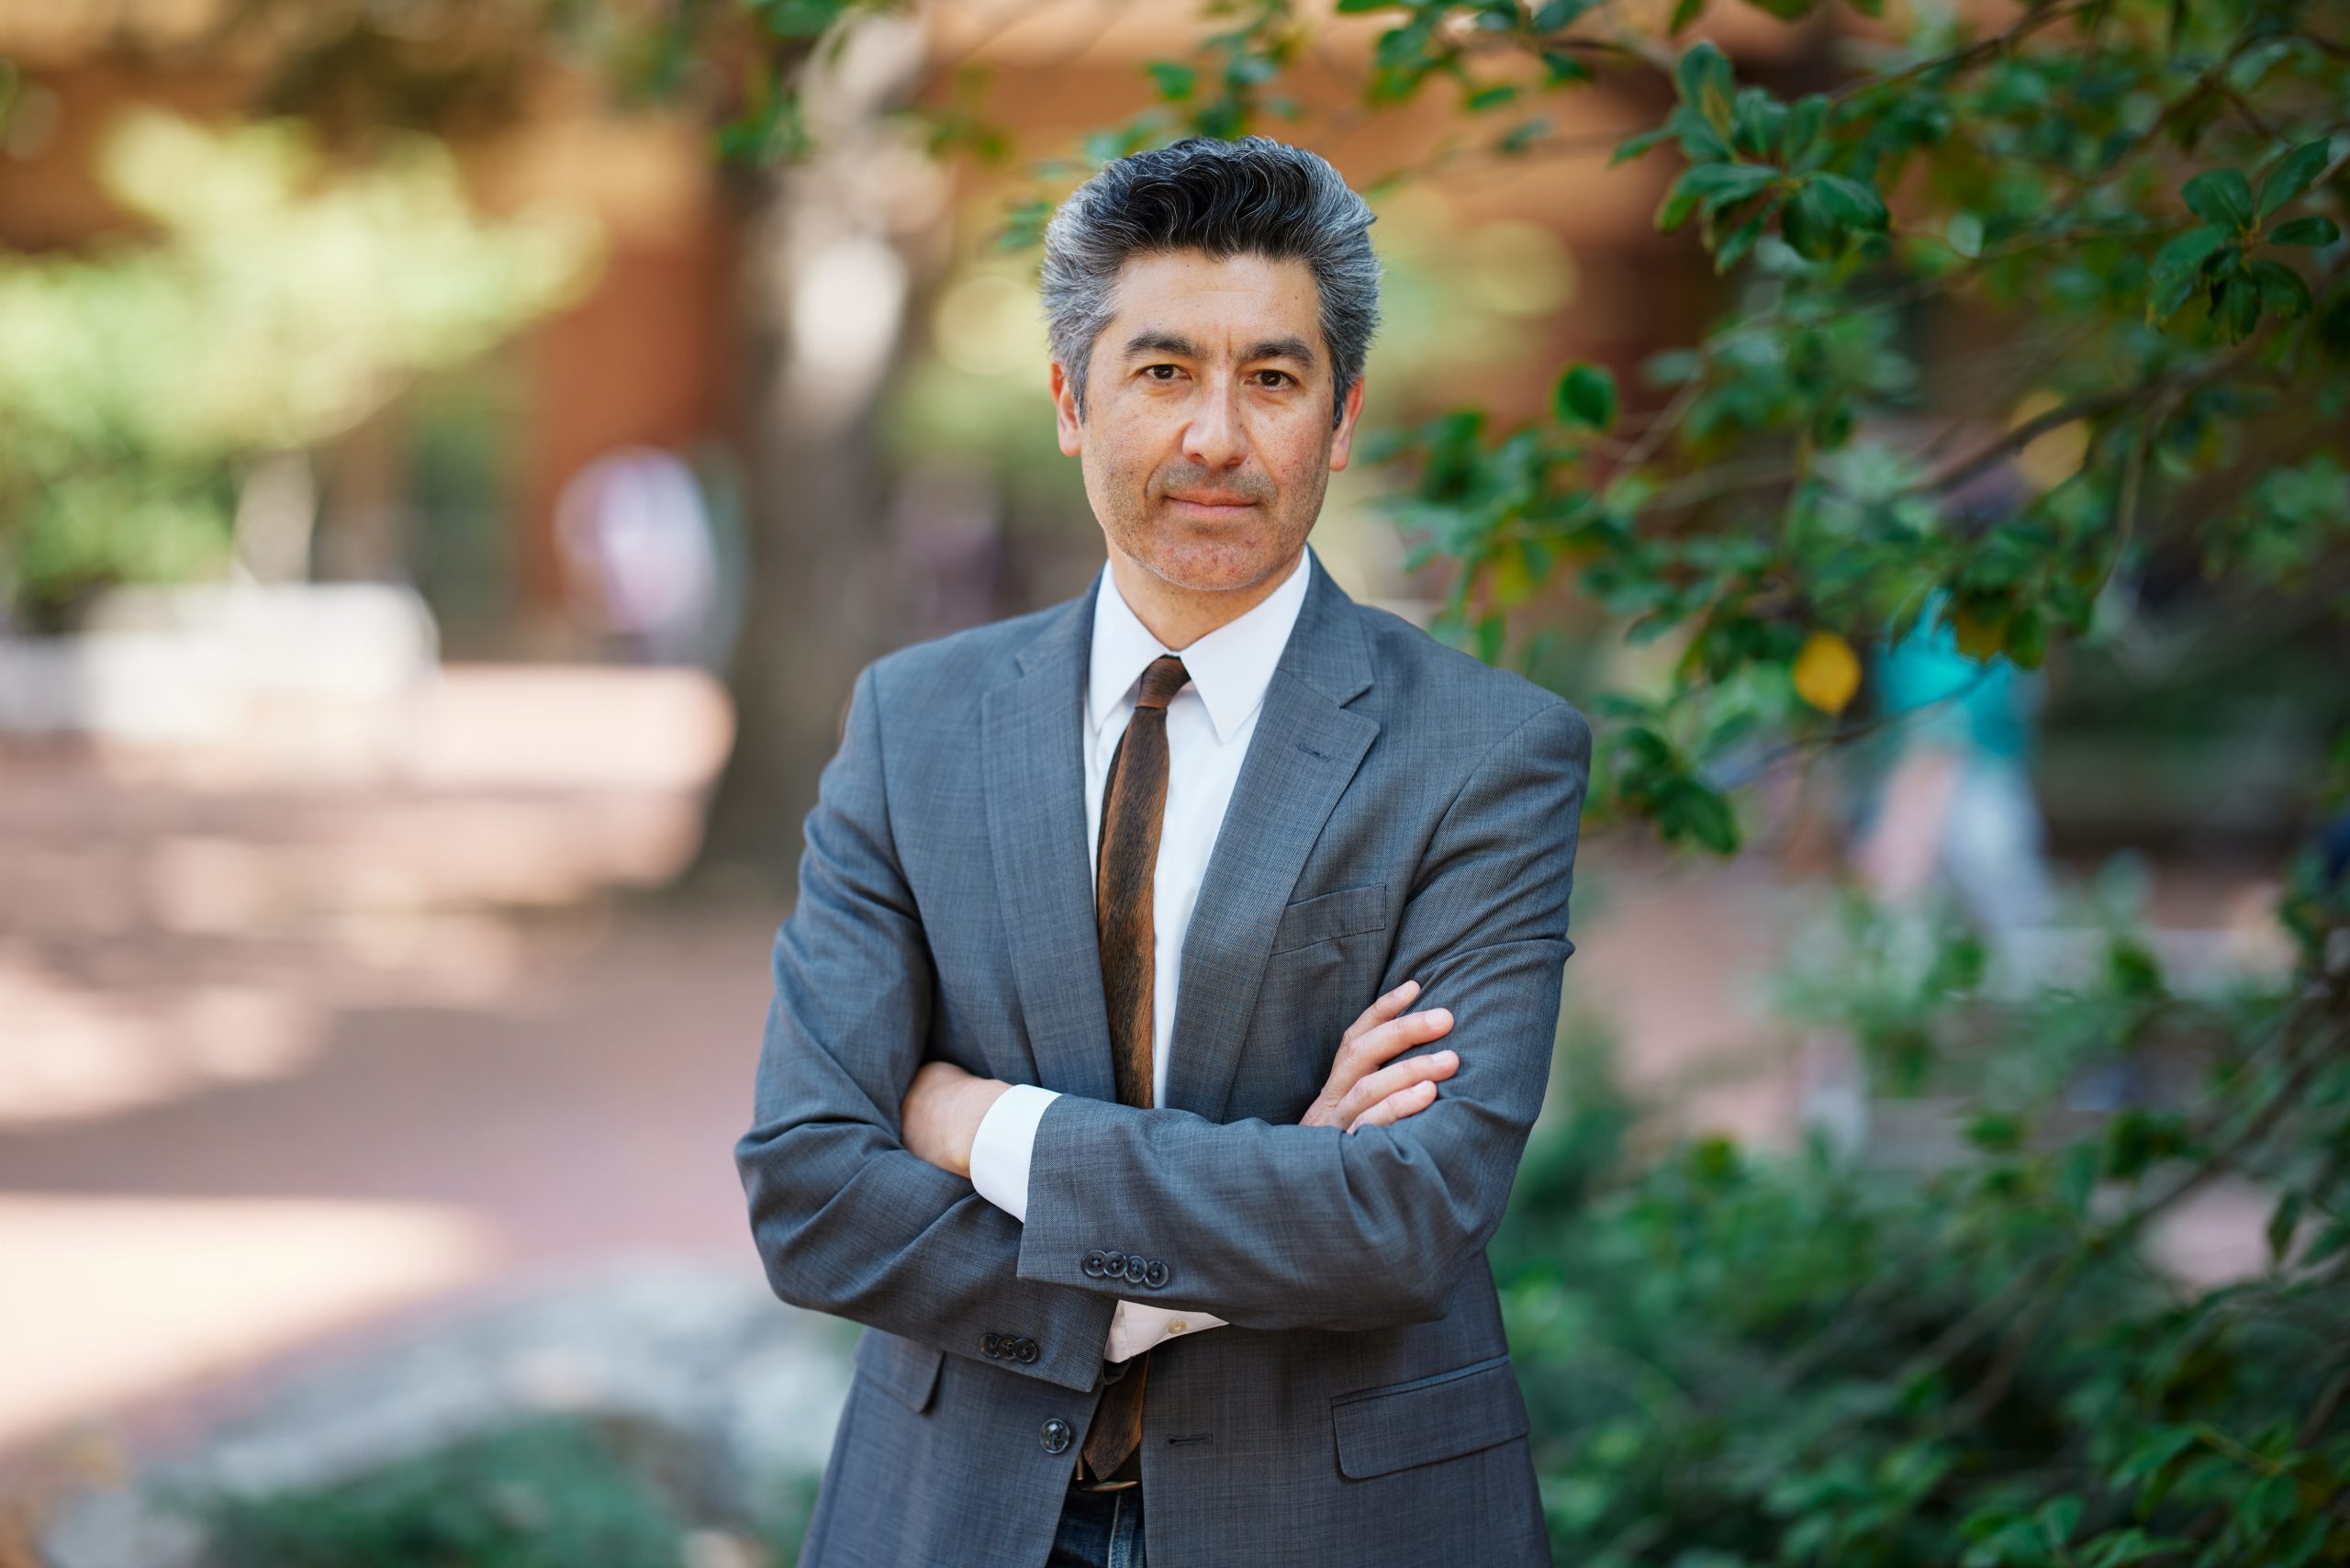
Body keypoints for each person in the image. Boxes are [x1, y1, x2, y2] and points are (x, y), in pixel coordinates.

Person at [735, 136, 1592, 1568]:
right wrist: (1153, 1289)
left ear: (1342, 415)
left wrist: (978, 1126)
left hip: (1341, 1522)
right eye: (1162, 371)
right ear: (1072, 401)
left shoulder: (1487, 755)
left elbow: (1402, 1216)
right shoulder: (914, 723)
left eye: (1271, 378)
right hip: (951, 1512)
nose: (1214, 436)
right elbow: (810, 1192)